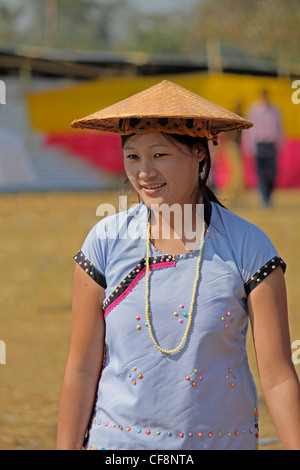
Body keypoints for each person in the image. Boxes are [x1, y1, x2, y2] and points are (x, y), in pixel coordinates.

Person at [57, 80, 300, 451]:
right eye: (133, 156)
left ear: (199, 153)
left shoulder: (248, 247)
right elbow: (81, 368)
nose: (144, 173)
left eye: (161, 155)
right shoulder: (104, 242)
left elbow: (279, 376)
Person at [245, 90, 283, 207]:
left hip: (270, 144)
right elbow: (250, 130)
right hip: (259, 144)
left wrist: (280, 143)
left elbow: (279, 127)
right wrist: (250, 146)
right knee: (260, 173)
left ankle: (268, 194)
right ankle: (265, 199)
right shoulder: (253, 110)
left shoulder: (275, 110)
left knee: (273, 172)